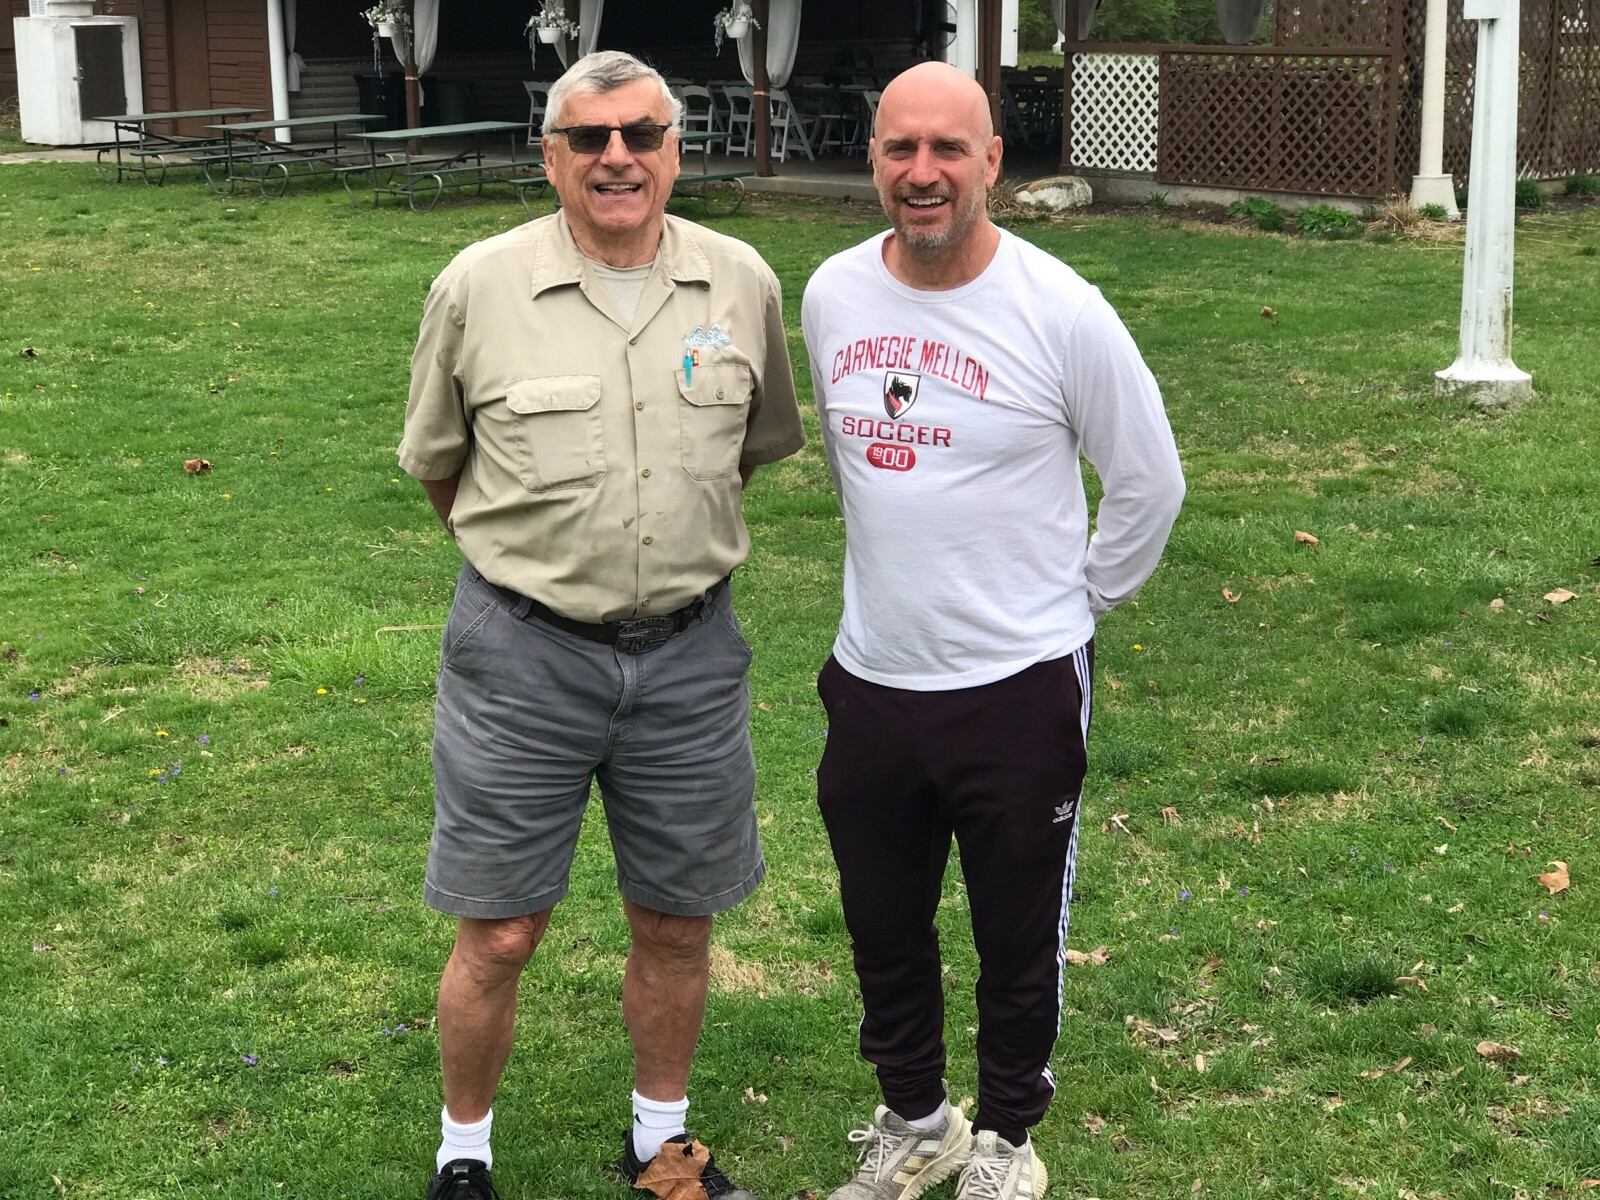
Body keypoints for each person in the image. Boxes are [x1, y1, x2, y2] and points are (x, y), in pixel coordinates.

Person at [398, 49, 804, 1200]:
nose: (615, 157)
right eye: (588, 139)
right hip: (522, 657)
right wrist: (539, 573)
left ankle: (659, 1145)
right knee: (501, 934)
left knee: (676, 922)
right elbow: (439, 468)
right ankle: (463, 1152)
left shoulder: (740, 283)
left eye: (639, 135)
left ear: (676, 150)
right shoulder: (478, 286)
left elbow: (750, 452)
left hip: (688, 656)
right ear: (552, 157)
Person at [800, 62, 1185, 1200]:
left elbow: (1148, 483)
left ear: (991, 165)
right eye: (898, 149)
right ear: (873, 160)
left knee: (1015, 934)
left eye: (947, 150)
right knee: (883, 923)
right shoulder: (828, 294)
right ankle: (918, 1121)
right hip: (871, 677)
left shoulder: (1058, 308)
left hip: (1015, 683)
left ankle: (1008, 1140)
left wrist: (1073, 605)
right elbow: (852, 464)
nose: (922, 174)